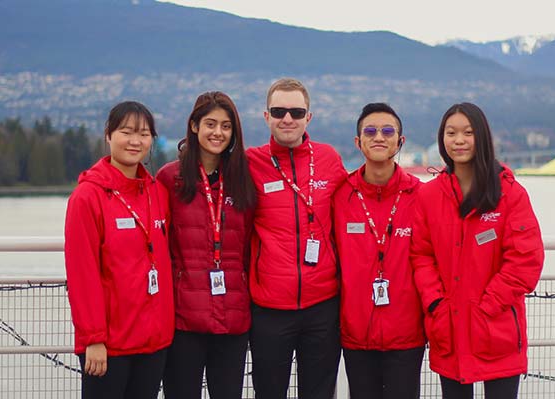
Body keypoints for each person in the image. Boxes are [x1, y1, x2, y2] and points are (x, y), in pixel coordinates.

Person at [410, 102, 544, 398]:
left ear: (481, 137)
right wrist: (436, 304)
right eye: (451, 133)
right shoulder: (429, 196)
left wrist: (488, 306)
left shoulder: (509, 193)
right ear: (441, 139)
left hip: (496, 329)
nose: (459, 140)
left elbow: (525, 260)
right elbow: (421, 256)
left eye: (468, 133)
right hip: (449, 328)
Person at [246, 77, 347, 399]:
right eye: (278, 111)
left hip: (322, 305)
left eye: (296, 111)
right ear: (266, 117)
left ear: (308, 117)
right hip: (269, 307)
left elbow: (357, 204)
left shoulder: (329, 159)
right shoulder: (250, 163)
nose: (287, 118)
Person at [64, 101, 174, 399]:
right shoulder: (87, 197)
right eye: (126, 132)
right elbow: (82, 274)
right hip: (109, 346)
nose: (135, 141)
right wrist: (93, 339)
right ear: (108, 135)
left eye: (144, 134)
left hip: (154, 342)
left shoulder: (157, 193)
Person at [157, 91, 256, 399]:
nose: (218, 133)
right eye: (210, 124)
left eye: (226, 126)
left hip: (233, 317)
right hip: (183, 319)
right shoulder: (169, 178)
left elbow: (250, 245)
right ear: (195, 126)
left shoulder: (242, 178)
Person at [333, 103, 426, 399]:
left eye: (388, 131)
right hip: (356, 333)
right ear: (358, 142)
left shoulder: (420, 195)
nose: (379, 137)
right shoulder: (341, 195)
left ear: (400, 142)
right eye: (370, 131)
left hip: (407, 335)